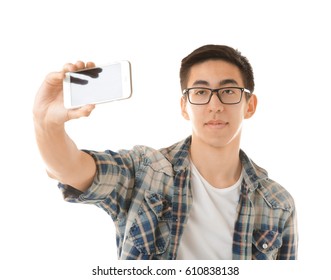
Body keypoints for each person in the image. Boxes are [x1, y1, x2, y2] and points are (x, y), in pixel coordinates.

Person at [33, 44, 298, 260]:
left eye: (228, 91)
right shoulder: (144, 171)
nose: (214, 105)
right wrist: (46, 122)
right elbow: (69, 169)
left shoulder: (278, 203)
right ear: (185, 107)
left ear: (249, 105)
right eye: (201, 91)